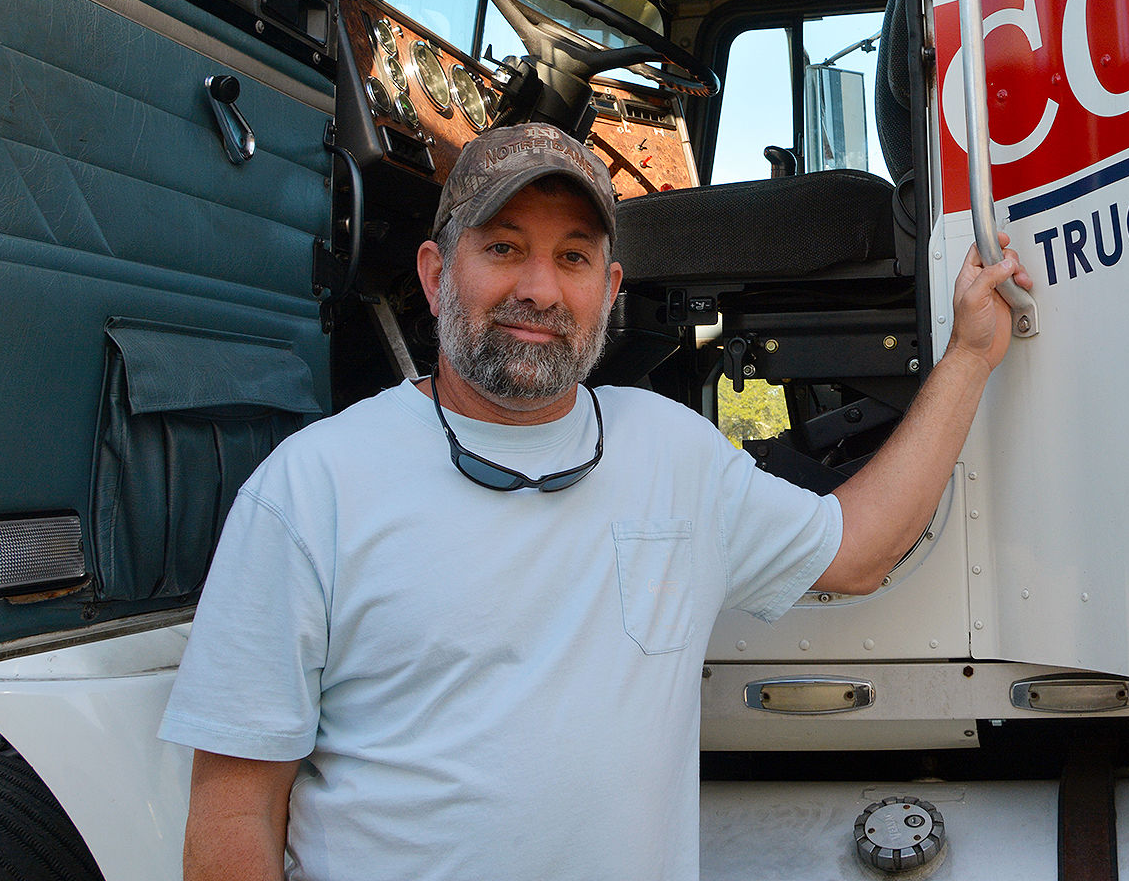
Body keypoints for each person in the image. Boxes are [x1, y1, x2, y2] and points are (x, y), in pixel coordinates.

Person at [160, 122, 1031, 881]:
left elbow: (858, 550)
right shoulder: (309, 490)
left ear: (610, 295)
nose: (540, 289)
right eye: (503, 247)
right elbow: (234, 816)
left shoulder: (672, 452)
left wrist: (969, 359)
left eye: (573, 256)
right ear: (434, 275)